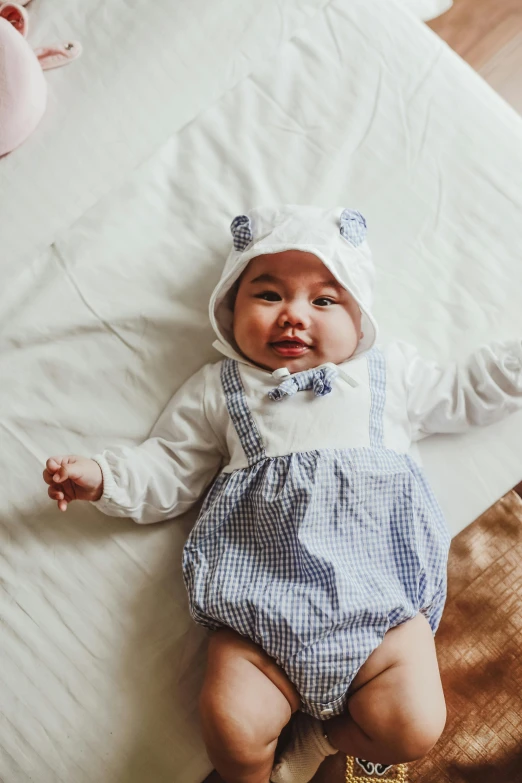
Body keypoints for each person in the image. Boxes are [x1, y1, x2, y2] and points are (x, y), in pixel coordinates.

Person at [43, 205, 522, 783]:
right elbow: (169, 465)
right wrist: (105, 477)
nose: (294, 316)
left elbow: (466, 390)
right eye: (268, 295)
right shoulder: (219, 390)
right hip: (259, 610)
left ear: (361, 316)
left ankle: (310, 748)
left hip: (382, 610)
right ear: (230, 307)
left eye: (324, 301)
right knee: (230, 725)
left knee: (414, 725)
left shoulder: (386, 375)